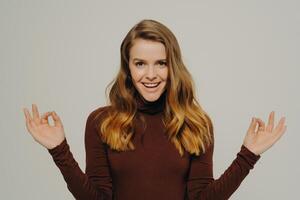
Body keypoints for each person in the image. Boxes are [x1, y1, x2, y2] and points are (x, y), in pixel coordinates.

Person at [23, 19, 287, 200]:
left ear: (173, 66)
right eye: (140, 63)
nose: (151, 74)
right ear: (128, 67)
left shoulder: (197, 124)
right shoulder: (101, 122)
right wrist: (59, 150)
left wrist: (248, 155)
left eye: (160, 63)